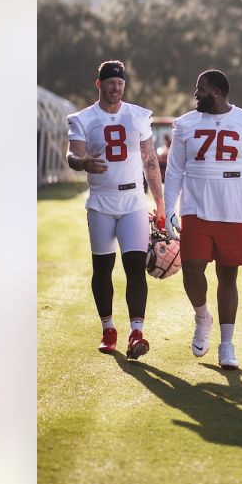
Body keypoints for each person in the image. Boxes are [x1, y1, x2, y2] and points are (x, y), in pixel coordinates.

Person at [162, 69, 242, 370]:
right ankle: (202, 317)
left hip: (235, 210)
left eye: (200, 88)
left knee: (228, 277)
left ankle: (227, 344)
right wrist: (168, 207)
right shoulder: (185, 125)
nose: (195, 93)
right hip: (196, 208)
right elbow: (174, 170)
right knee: (191, 270)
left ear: (216, 92)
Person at [64, 60, 165, 359]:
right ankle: (108, 328)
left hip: (133, 200)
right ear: (100, 84)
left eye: (120, 83)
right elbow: (72, 155)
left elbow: (150, 162)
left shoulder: (138, 116)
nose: (116, 87)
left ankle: (137, 332)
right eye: (111, 82)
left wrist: (160, 202)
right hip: (101, 201)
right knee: (102, 268)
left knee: (135, 267)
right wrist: (83, 163)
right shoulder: (83, 118)